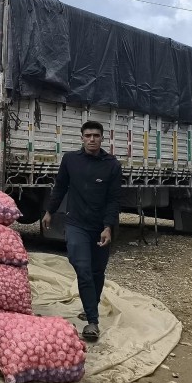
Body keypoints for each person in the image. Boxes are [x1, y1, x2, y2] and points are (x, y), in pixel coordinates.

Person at [42, 121, 122, 342]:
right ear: (82, 138)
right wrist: (50, 211)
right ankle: (93, 322)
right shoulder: (71, 160)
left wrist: (108, 227)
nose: (92, 139)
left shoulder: (112, 165)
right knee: (83, 269)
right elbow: (60, 187)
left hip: (100, 227)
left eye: (96, 135)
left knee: (97, 272)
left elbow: (114, 199)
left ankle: (89, 308)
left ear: (102, 138)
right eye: (88, 135)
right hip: (76, 224)